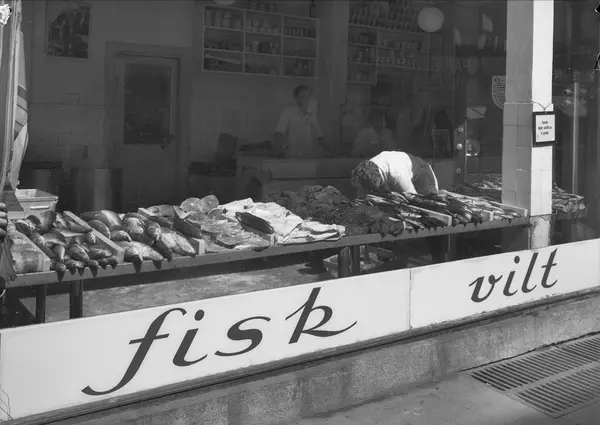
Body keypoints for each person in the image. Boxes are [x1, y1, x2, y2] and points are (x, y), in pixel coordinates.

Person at [350, 151, 439, 198]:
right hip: (399, 174)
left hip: (422, 175)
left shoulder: (397, 174)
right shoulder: (368, 167)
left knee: (428, 206)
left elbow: (414, 200)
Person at [274, 86, 327, 158]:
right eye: (303, 97)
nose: (306, 99)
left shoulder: (312, 114)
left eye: (308, 97)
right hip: (292, 158)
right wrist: (280, 151)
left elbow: (320, 137)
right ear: (295, 97)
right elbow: (278, 134)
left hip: (310, 158)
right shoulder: (288, 111)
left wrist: (333, 152)